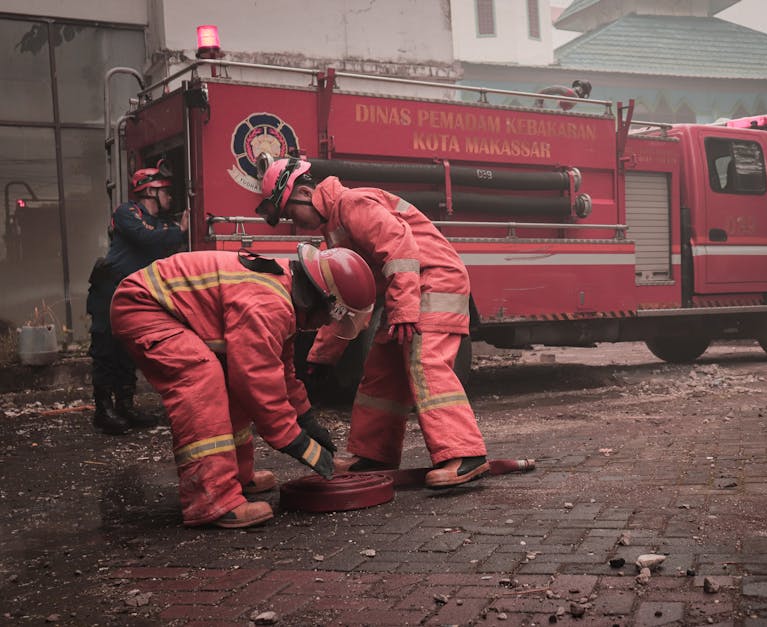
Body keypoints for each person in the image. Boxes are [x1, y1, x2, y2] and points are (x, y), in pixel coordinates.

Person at [254, 156, 489, 488]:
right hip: (409, 289)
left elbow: (401, 248)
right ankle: (375, 456)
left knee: (424, 362)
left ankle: (466, 455)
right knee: (381, 372)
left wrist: (406, 310)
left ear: (304, 193)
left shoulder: (353, 202)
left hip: (433, 282)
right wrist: (323, 356)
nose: (295, 221)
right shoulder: (334, 232)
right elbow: (351, 302)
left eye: (291, 212)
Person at [110, 244, 376, 528]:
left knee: (231, 383)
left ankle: (235, 476)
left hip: (161, 304)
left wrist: (306, 420)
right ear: (321, 299)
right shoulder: (268, 303)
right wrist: (296, 442)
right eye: (334, 315)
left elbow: (280, 371)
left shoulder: (284, 295)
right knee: (202, 380)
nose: (327, 323)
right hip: (144, 306)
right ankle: (212, 500)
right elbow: (257, 379)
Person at [87, 161, 189, 435]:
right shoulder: (127, 212)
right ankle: (103, 410)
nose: (170, 196)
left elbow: (161, 239)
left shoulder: (160, 223)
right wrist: (177, 232)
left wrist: (172, 232)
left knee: (128, 349)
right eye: (165, 191)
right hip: (109, 287)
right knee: (105, 346)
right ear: (150, 191)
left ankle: (125, 405)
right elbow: (146, 238)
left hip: (134, 292)